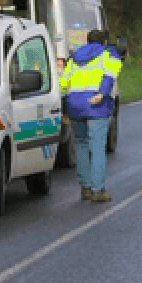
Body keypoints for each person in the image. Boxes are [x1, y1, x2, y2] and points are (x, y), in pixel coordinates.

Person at [60, 29, 122, 203]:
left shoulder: (74, 57)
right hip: (96, 104)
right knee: (97, 147)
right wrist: (101, 94)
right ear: (104, 42)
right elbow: (109, 77)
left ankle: (85, 188)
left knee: (80, 144)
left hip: (75, 104)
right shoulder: (109, 54)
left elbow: (64, 82)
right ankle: (98, 190)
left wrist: (65, 105)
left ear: (87, 41)